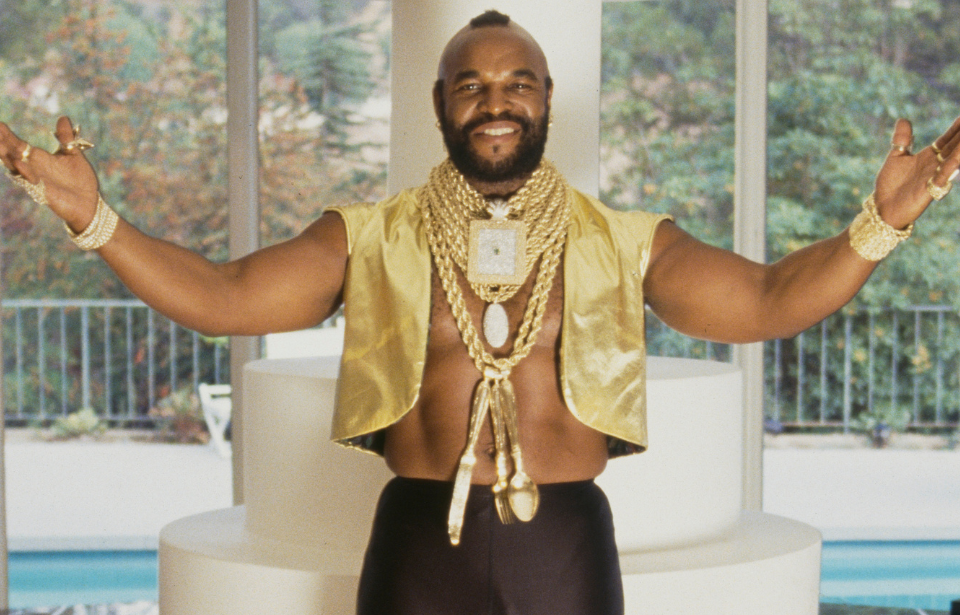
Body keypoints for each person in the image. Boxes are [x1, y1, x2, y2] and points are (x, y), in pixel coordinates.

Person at [1, 9, 958, 615]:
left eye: (517, 84)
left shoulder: (624, 238)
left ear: (546, 99)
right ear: (440, 103)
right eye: (472, 85)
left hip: (564, 542)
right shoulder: (368, 234)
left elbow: (767, 300)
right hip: (420, 542)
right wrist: (95, 218)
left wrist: (882, 222)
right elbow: (222, 295)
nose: (495, 103)